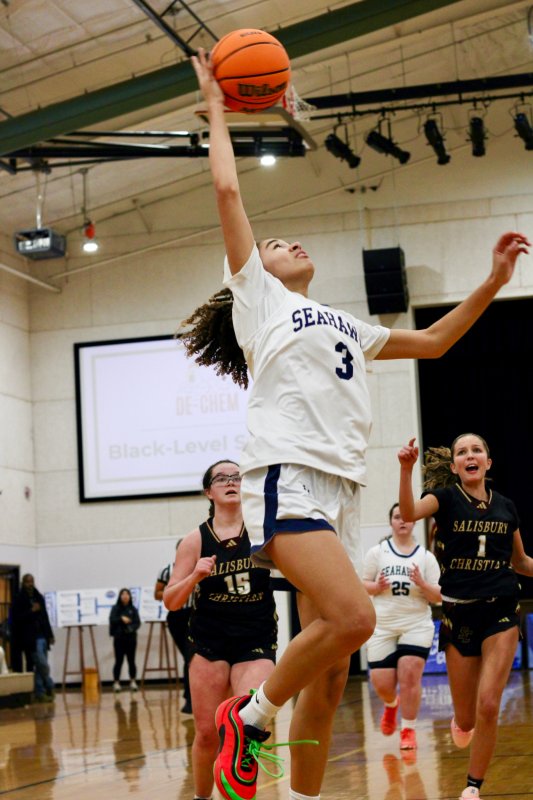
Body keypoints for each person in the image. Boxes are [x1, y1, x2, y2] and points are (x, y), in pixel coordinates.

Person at [184, 46, 530, 800]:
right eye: (275, 245)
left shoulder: (340, 322)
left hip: (336, 493)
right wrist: (215, 104)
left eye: (284, 241)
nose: (286, 244)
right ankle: (251, 716)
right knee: (347, 621)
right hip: (287, 479)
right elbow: (224, 189)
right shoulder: (259, 301)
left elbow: (435, 342)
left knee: (333, 663)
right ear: (253, 272)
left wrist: (493, 282)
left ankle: (295, 789)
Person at [398, 434, 533, 800]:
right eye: (462, 452)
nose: (469, 455)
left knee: (489, 704)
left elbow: (520, 563)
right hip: (458, 616)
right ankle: (462, 722)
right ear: (455, 466)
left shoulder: (506, 507)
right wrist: (406, 468)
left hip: (501, 610)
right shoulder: (443, 500)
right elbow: (408, 514)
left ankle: (472, 788)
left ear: (488, 463)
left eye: (477, 450)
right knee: (468, 718)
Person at [163, 460, 278, 800]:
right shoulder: (194, 540)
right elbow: (171, 600)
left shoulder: (263, 530)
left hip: (255, 638)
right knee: (207, 733)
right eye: (222, 478)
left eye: (236, 476)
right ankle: (202, 797)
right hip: (209, 640)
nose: (231, 482)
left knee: (247, 727)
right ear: (208, 491)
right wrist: (194, 576)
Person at [362, 503, 441, 754]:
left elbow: (439, 596)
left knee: (410, 674)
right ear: (391, 522)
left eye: (406, 517)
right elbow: (362, 584)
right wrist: (376, 587)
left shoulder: (426, 557)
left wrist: (422, 584)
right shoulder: (377, 553)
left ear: (414, 522)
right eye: (397, 517)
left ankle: (408, 729)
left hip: (415, 623)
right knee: (382, 683)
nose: (402, 521)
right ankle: (391, 703)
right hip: (383, 624)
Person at [154, 541, 193, 714]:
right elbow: (157, 594)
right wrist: (177, 589)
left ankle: (193, 699)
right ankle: (189, 699)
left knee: (194, 657)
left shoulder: (198, 568)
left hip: (196, 614)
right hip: (177, 616)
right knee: (189, 656)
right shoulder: (166, 570)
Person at [9, 573, 55, 702]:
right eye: (28, 582)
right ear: (23, 583)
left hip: (43, 636)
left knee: (40, 666)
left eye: (32, 581)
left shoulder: (39, 597)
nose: (30, 584)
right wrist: (31, 611)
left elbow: (45, 617)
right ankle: (50, 684)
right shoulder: (18, 598)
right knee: (42, 663)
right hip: (30, 637)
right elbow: (16, 619)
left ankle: (40, 692)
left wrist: (50, 634)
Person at [109, 588, 141, 692]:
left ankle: (133, 681)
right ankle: (116, 682)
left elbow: (137, 622)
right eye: (123, 594)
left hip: (131, 639)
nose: (125, 596)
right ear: (120, 596)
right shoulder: (115, 608)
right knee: (119, 661)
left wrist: (131, 627)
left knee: (131, 661)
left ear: (130, 597)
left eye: (127, 594)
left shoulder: (133, 609)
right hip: (119, 639)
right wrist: (121, 619)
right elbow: (112, 620)